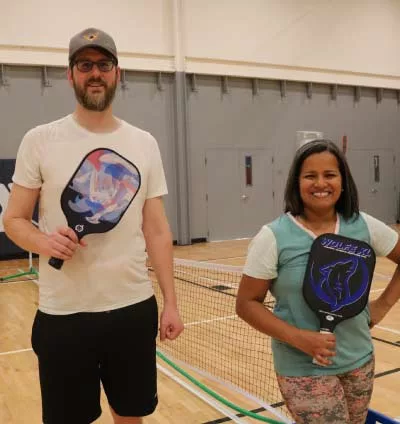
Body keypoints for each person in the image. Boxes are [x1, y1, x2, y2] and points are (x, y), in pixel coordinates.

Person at [3, 28, 184, 424]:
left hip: (132, 309)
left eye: (103, 64)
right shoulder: (40, 140)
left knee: (130, 416)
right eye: (85, 65)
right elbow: (13, 220)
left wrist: (170, 302)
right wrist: (45, 242)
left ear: (117, 73)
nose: (95, 73)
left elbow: (156, 229)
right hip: (64, 315)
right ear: (70, 75)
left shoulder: (145, 143)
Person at [236, 139, 400, 424]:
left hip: (359, 360)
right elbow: (246, 304)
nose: (320, 183)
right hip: (302, 369)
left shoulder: (364, 225)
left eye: (330, 175)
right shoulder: (273, 236)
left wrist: (382, 306)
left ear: (343, 181)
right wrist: (300, 339)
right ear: (296, 183)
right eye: (310, 175)